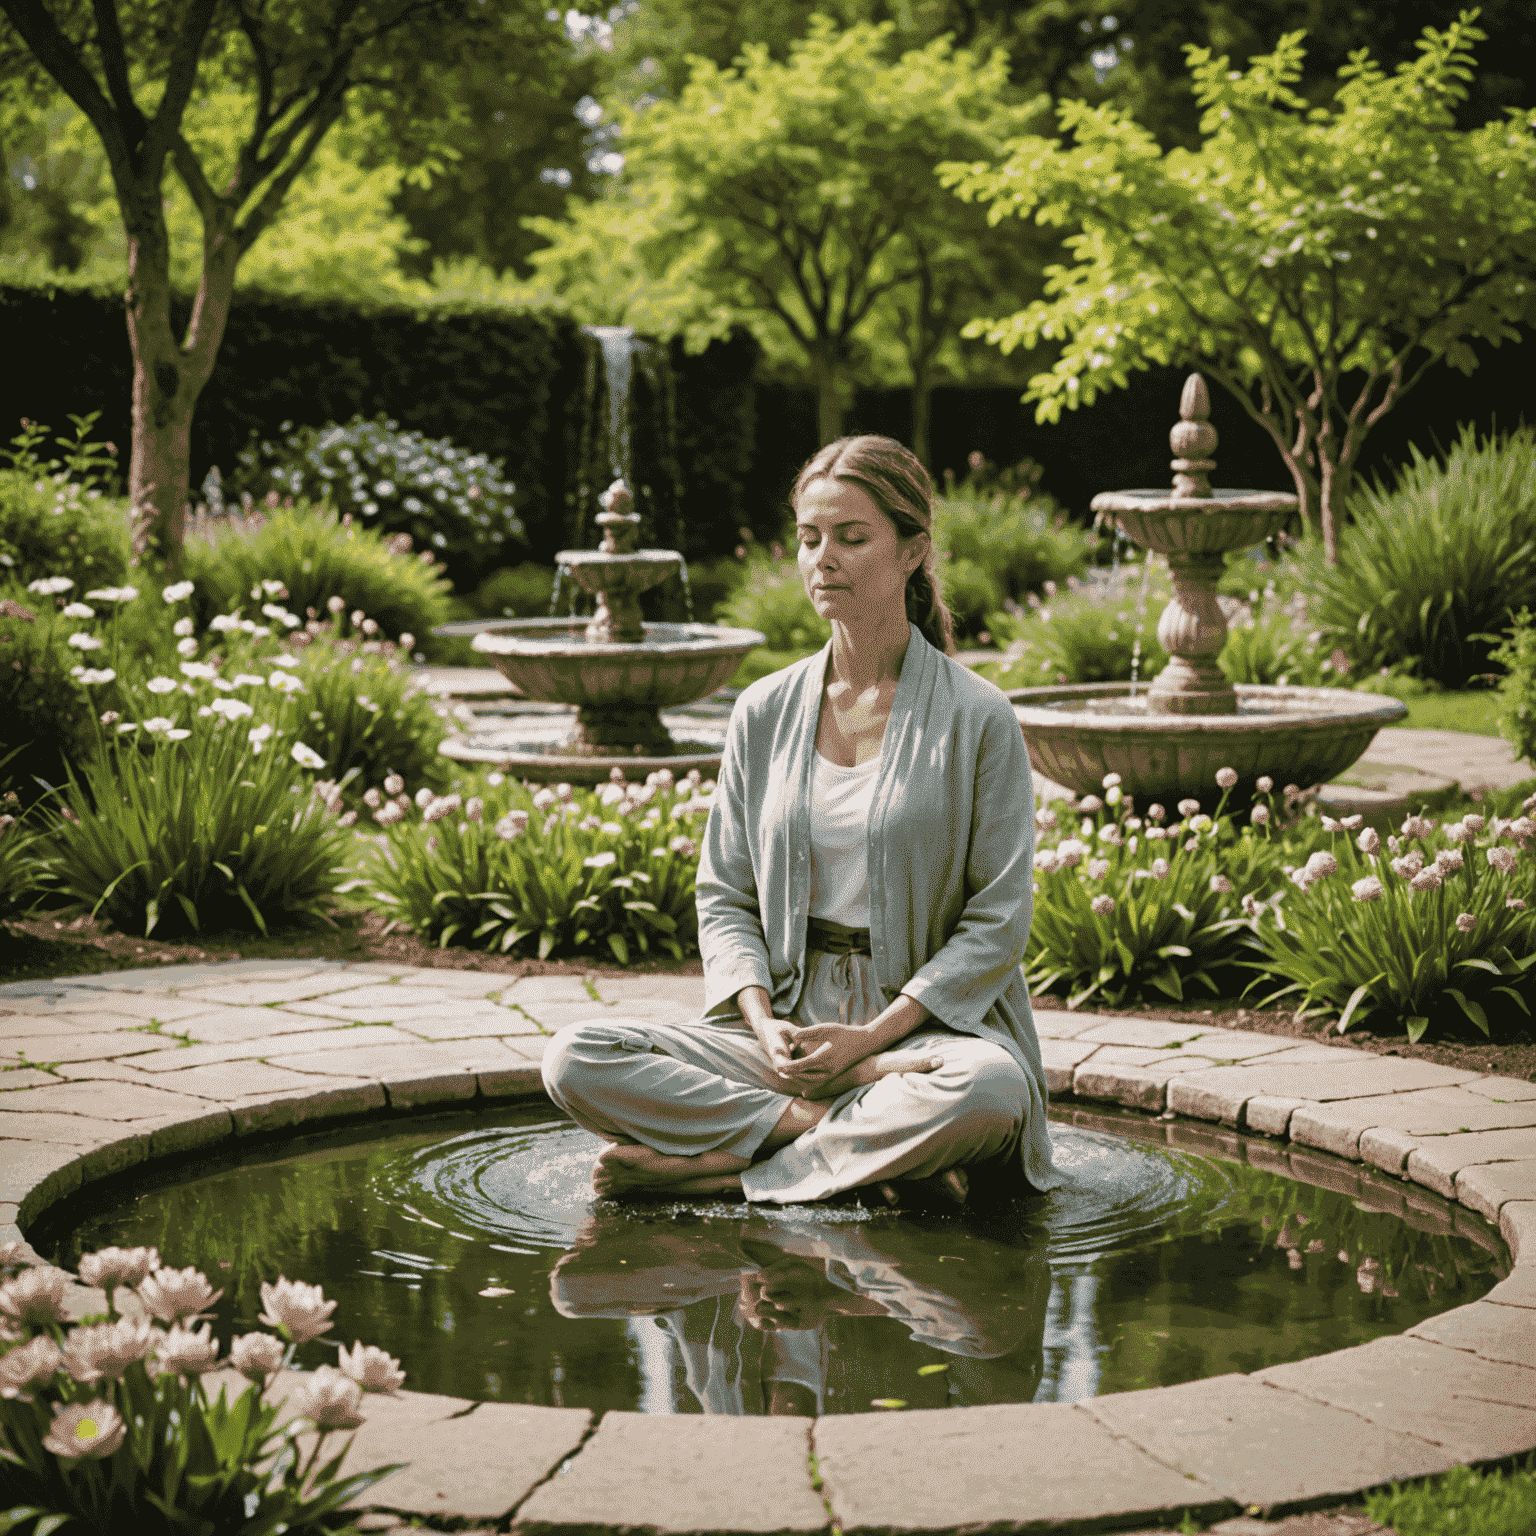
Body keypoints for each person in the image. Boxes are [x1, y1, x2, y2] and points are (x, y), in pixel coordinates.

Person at [542, 434, 1058, 1207]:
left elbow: (997, 923)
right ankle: (825, 1131)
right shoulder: (764, 709)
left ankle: (722, 1173)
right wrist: (761, 1021)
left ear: (913, 552)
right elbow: (725, 896)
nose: (825, 560)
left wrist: (876, 1041)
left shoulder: (977, 717)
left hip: (921, 1038)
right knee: (575, 1057)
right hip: (783, 1033)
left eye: (853, 539)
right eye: (810, 539)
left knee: (989, 1090)